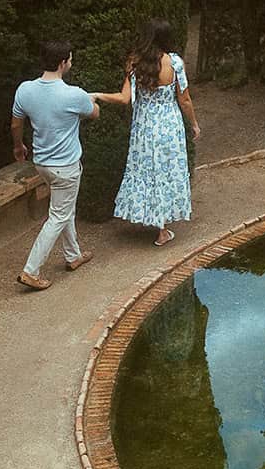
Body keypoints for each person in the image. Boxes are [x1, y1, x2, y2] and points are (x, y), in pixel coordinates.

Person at [95, 19, 200, 247]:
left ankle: (150, 217)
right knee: (166, 173)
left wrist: (97, 95)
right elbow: (185, 99)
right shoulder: (175, 63)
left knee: (146, 172)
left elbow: (124, 99)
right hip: (169, 127)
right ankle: (162, 229)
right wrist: (194, 124)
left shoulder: (135, 63)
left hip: (144, 128)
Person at [11, 40, 99, 290]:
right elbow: (95, 112)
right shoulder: (74, 94)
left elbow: (16, 124)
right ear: (63, 63)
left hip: (42, 164)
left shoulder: (25, 90)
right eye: (69, 59)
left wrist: (18, 146)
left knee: (63, 208)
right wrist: (92, 100)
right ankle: (30, 271)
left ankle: (73, 256)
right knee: (58, 215)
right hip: (66, 167)